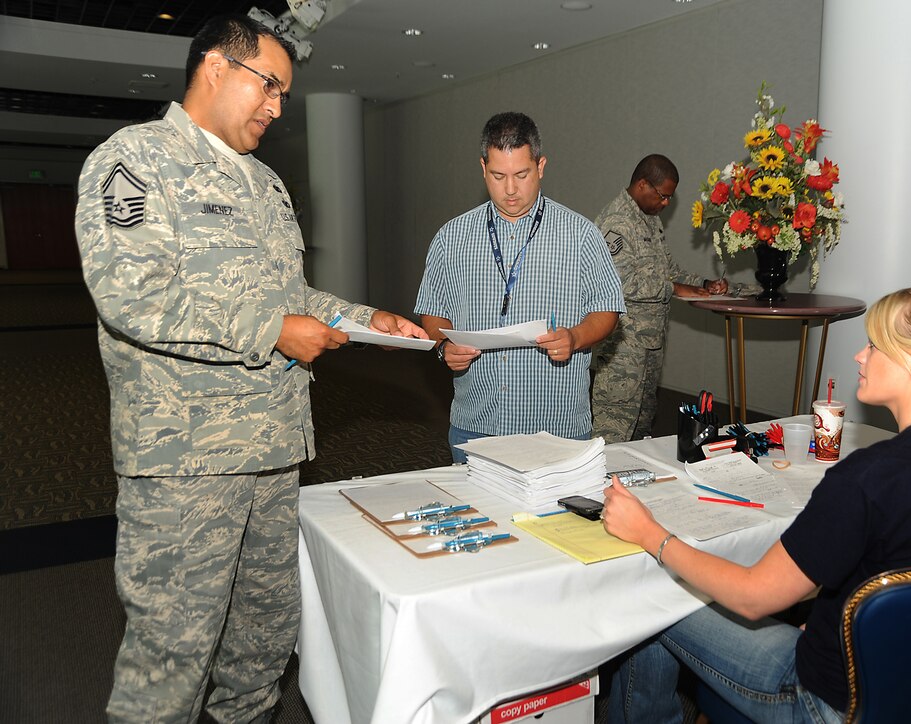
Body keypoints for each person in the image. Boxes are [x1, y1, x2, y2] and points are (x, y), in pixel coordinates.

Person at [75, 15, 427, 722]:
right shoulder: (137, 160)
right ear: (214, 67)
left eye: (284, 96)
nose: (275, 107)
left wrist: (364, 318)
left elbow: (292, 299)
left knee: (264, 640)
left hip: (273, 453)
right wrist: (272, 331)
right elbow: (132, 297)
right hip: (186, 465)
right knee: (172, 655)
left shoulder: (266, 184)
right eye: (269, 86)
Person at [600, 280, 911, 723]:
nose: (859, 357)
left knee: (654, 598)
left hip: (829, 703)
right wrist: (845, 624)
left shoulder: (872, 475)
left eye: (874, 345)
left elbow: (754, 598)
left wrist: (652, 535)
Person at [415, 112, 626, 462]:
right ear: (483, 168)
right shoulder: (451, 237)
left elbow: (607, 309)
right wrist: (442, 346)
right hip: (477, 422)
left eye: (521, 174)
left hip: (557, 425)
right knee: (481, 516)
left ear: (541, 166)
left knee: (556, 517)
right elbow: (433, 310)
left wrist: (574, 337)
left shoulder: (581, 235)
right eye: (498, 176)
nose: (510, 189)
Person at [592, 154, 728, 443]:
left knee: (642, 432)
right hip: (623, 351)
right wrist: (674, 289)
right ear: (643, 185)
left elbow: (668, 270)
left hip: (650, 345)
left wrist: (702, 283)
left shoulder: (649, 219)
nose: (666, 203)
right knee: (614, 432)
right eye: (663, 196)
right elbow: (618, 282)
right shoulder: (617, 222)